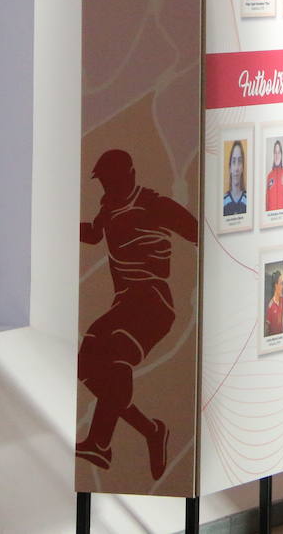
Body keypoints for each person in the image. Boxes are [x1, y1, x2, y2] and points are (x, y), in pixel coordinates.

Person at [77, 149, 198, 481]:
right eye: (102, 182)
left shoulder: (153, 204)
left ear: (128, 176)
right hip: (124, 302)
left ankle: (100, 443)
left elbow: (197, 231)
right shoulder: (109, 206)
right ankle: (151, 431)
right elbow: (93, 234)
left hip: (152, 301)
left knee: (116, 354)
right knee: (87, 362)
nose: (106, 188)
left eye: (110, 181)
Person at [222, 141, 247, 215]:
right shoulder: (223, 201)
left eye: (239, 161)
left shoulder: (248, 200)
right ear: (230, 167)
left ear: (242, 167)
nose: (236, 168)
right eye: (233, 162)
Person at [266, 139, 283, 212]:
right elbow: (267, 199)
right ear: (273, 154)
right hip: (271, 217)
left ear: (281, 154)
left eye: (279, 152)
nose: (277, 155)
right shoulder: (269, 176)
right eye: (275, 152)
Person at [264, 269, 283, 337]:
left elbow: (282, 317)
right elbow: (266, 330)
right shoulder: (270, 306)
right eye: (281, 283)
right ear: (276, 285)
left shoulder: (282, 299)